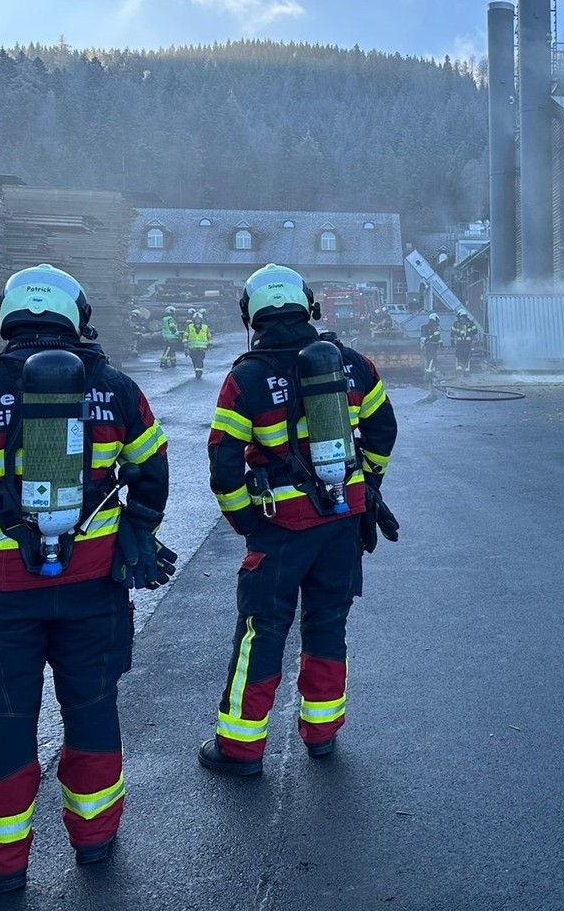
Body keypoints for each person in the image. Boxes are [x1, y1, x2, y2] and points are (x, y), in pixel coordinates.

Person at [0, 264, 174, 893]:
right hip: (94, 587)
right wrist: (136, 528)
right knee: (93, 706)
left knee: (4, 716)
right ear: (77, 318)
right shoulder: (116, 387)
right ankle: (96, 839)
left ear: (5, 317)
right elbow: (153, 469)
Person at [199, 264, 398, 774]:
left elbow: (223, 461)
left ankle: (240, 749)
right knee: (328, 623)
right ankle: (322, 734)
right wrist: (368, 484)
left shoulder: (246, 378)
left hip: (281, 528)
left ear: (251, 316)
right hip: (343, 521)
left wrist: (247, 522)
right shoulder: (352, 364)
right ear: (310, 307)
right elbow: (383, 430)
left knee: (262, 631)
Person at [185, 309, 212, 379]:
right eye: (196, 319)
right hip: (192, 348)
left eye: (199, 319)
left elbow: (209, 336)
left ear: (201, 320)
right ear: (194, 320)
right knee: (194, 361)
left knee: (200, 360)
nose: (197, 320)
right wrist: (185, 346)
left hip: (201, 348)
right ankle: (196, 370)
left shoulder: (205, 327)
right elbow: (185, 336)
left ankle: (199, 373)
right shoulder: (189, 327)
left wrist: (210, 344)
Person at [451, 308, 478, 372]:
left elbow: (452, 333)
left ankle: (459, 367)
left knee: (459, 354)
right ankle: (466, 368)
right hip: (467, 342)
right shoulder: (470, 323)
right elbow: (475, 331)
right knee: (467, 355)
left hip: (460, 342)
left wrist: (452, 341)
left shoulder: (456, 323)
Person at [420, 312, 442, 380]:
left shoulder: (427, 326)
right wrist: (441, 343)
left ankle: (430, 371)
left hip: (428, 345)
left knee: (428, 358)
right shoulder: (434, 326)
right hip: (433, 345)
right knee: (432, 358)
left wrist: (422, 346)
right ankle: (429, 373)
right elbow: (437, 335)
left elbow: (423, 338)